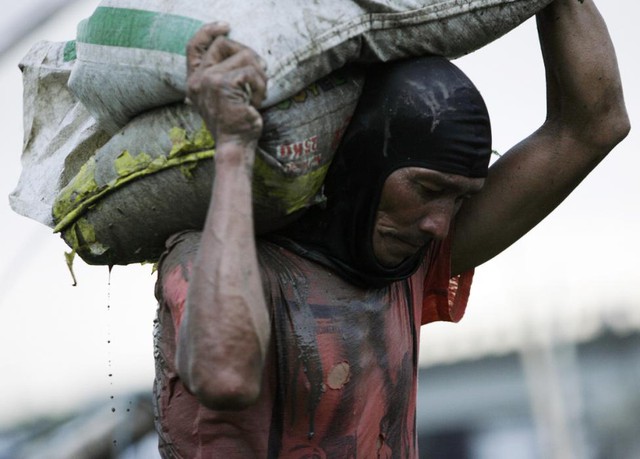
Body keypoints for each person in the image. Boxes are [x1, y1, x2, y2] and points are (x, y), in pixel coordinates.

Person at [152, 0, 629, 457]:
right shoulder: (209, 260)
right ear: (362, 165)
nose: (441, 226)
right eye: (425, 188)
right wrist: (234, 147)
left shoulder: (405, 266)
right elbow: (226, 376)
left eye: (459, 198)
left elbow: (595, 125)